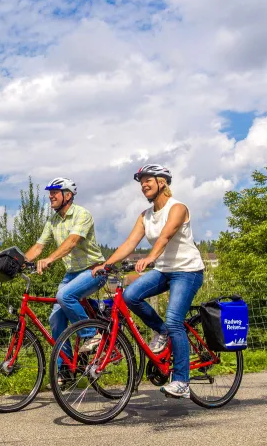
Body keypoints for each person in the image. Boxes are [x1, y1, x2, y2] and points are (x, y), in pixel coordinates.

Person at [92, 164, 205, 399]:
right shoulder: (145, 215)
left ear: (162, 182)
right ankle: (161, 332)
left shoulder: (178, 208)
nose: (143, 184)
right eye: (141, 181)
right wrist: (107, 264)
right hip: (165, 270)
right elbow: (129, 244)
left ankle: (182, 381)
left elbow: (166, 235)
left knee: (175, 319)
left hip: (187, 271)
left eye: (148, 180)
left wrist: (150, 257)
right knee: (131, 296)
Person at [25, 177, 106, 371]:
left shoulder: (82, 214)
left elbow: (72, 241)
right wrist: (19, 262)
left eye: (55, 192)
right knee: (55, 318)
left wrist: (49, 259)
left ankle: (91, 334)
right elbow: (38, 246)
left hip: (93, 270)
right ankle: (67, 368)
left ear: (67, 195)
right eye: (50, 192)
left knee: (64, 296)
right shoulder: (52, 221)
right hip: (72, 274)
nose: (50, 196)